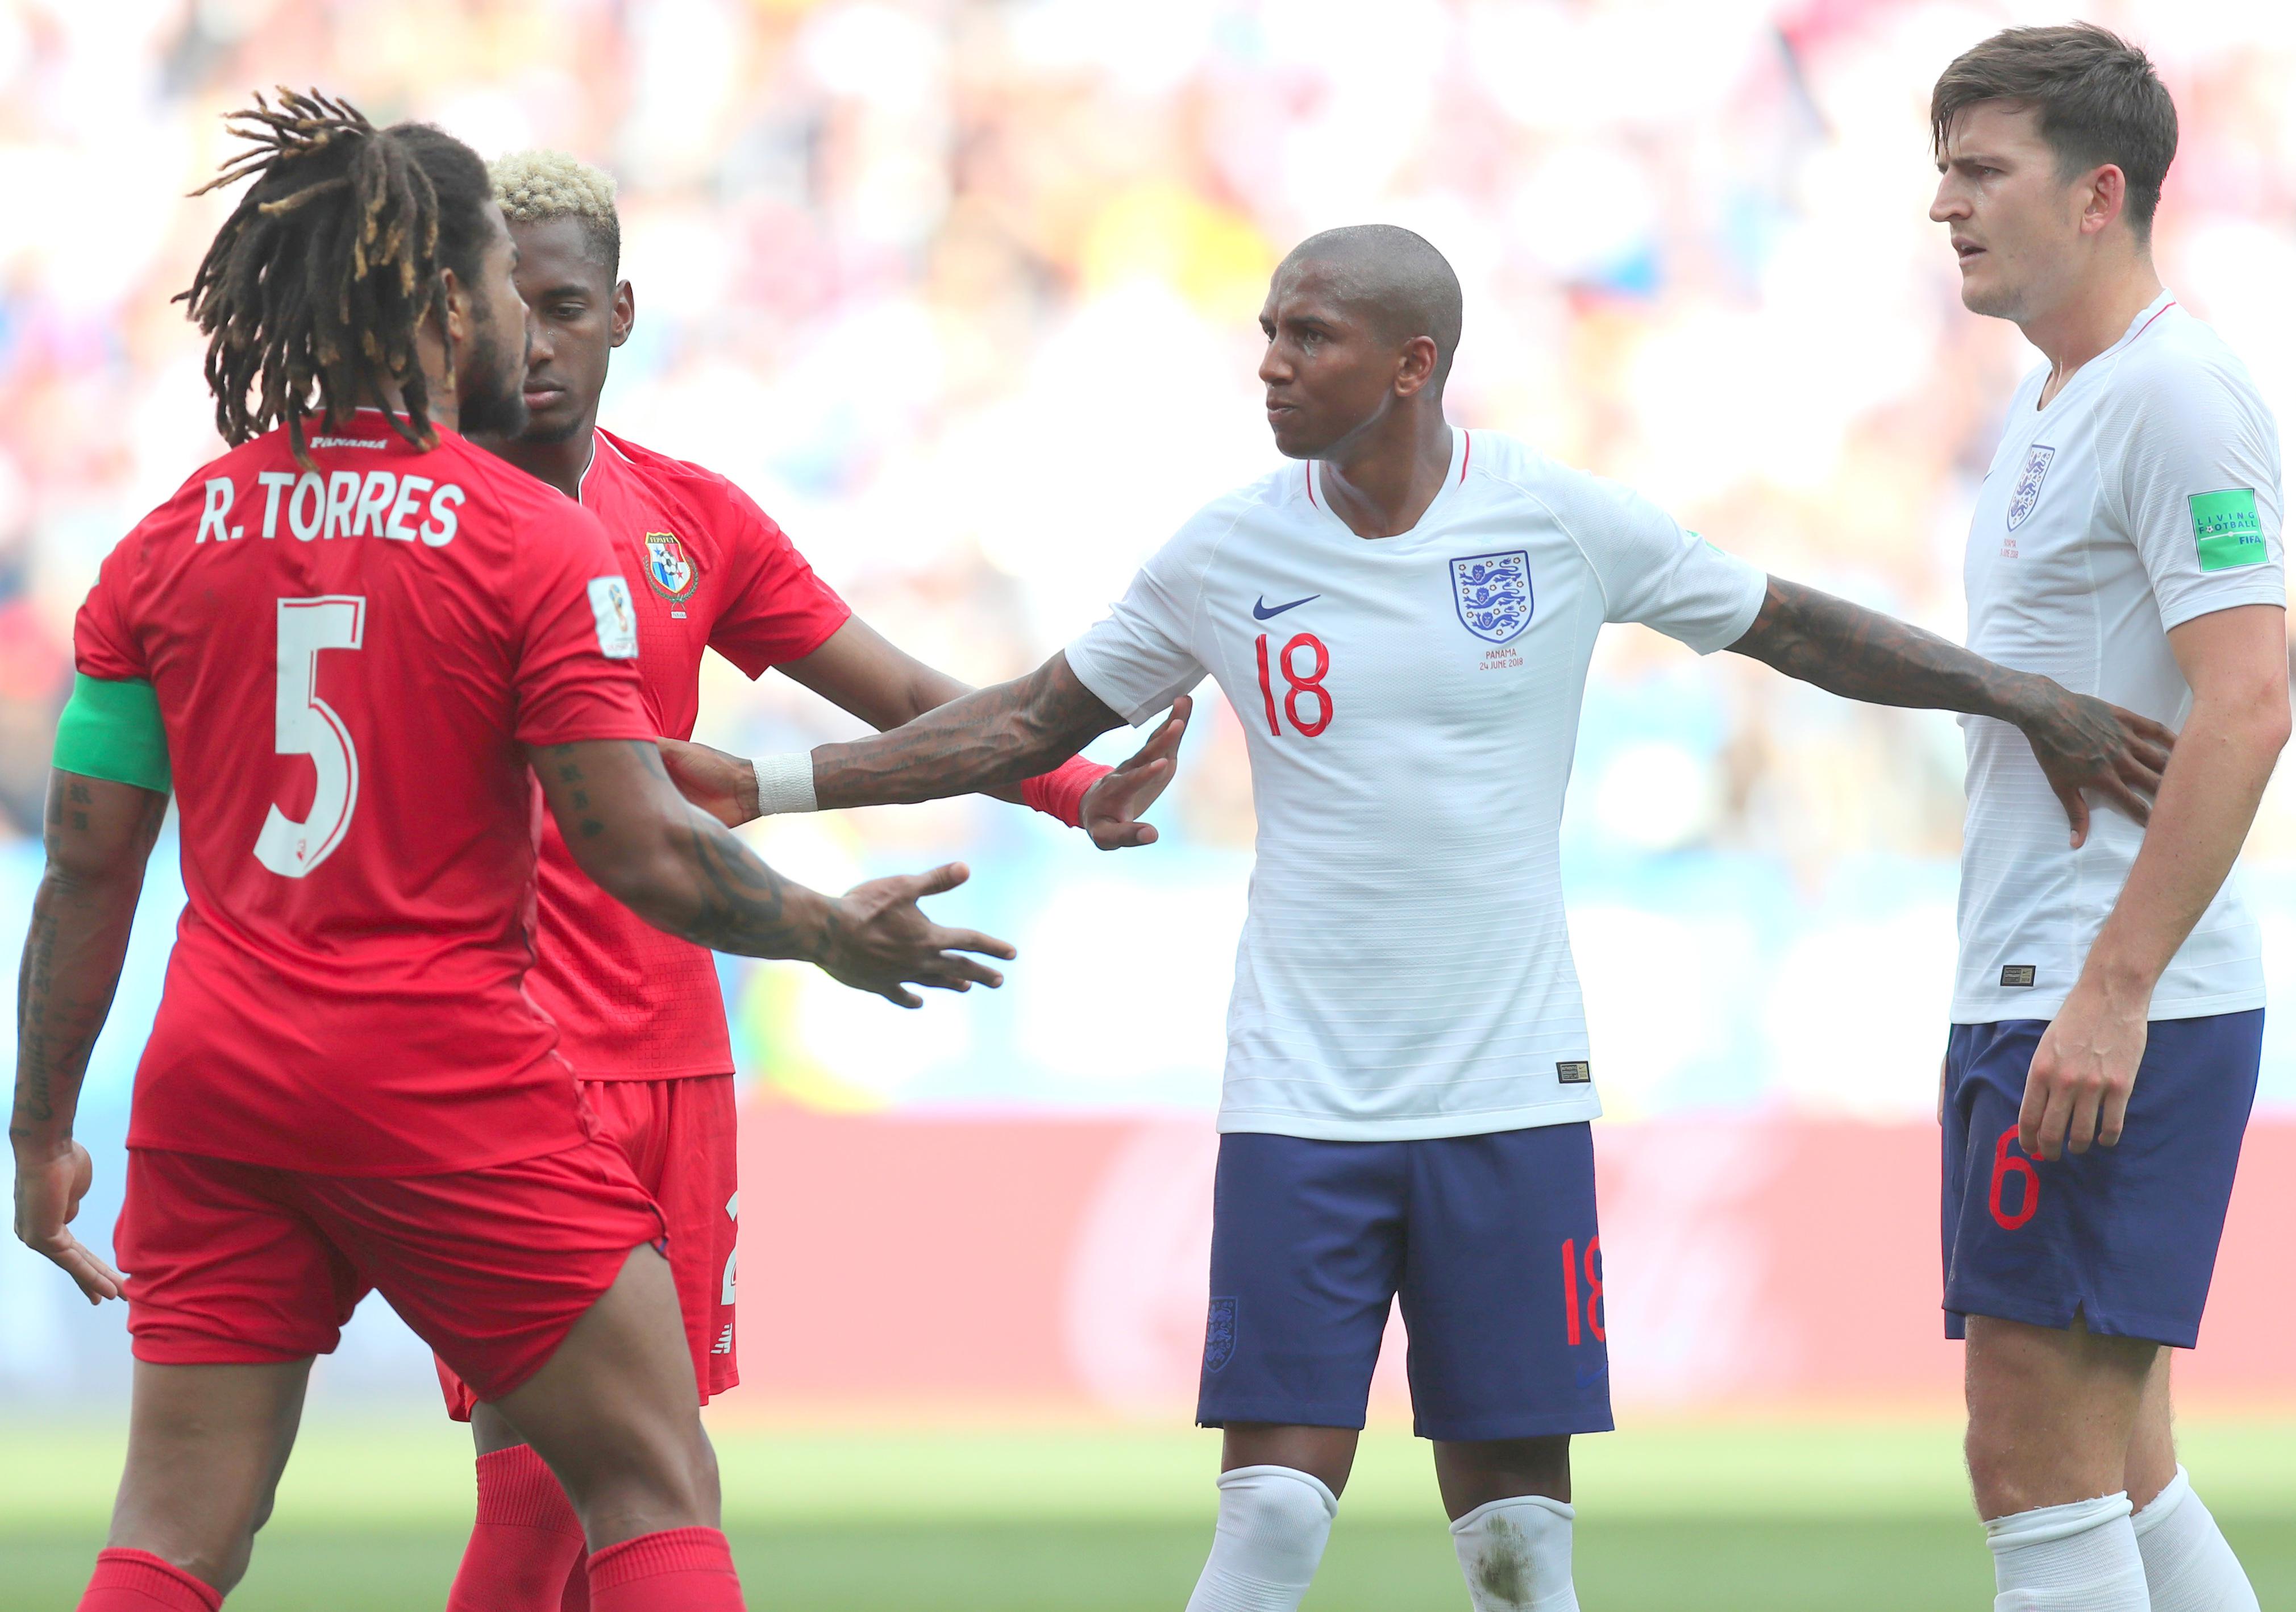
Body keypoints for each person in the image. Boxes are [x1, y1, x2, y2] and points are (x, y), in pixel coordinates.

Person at [657, 223, 2177, 1612]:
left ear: (1410, 365)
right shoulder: (1222, 551)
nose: (1269, 361)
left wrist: (2014, 691)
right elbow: (1013, 720)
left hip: (1508, 1090)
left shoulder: (1555, 520)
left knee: (1517, 1547)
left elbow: (1794, 625)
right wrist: (770, 776)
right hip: (1300, 1094)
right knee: (1265, 1520)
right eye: (1264, 330)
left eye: (1307, 335)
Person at [9, 91, 1009, 1612]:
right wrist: (825, 930)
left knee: (170, 1530)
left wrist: (41, 1130)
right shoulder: (525, 539)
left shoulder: (164, 544)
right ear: (435, 299)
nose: (511, 317)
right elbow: (643, 852)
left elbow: (90, 869)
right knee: (648, 1481)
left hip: (215, 1082)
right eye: (490, 276)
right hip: (437, 1070)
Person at [431, 148, 1178, 1612]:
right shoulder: (431, 518)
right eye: (505, 306)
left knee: (642, 1471)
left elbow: (893, 685)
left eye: (566, 304)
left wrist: (1074, 785)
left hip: (675, 1055)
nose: (535, 340)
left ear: (624, 311)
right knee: (555, 1467)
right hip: (505, 1051)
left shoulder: (690, 520)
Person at [1925, 26, 2287, 1612]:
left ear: (2095, 195)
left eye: (1976, 169)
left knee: (2026, 1455)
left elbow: (2247, 700)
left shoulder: (2175, 397)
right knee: (2121, 1466)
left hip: (2092, 997)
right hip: (2046, 978)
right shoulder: (2058, 399)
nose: (1942, 204)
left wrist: (2111, 985)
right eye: (1940, 170)